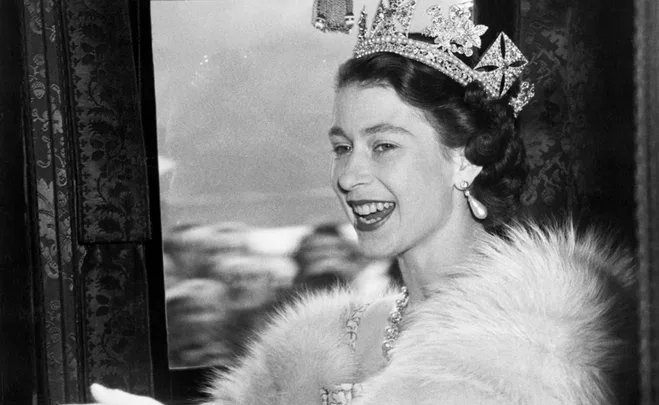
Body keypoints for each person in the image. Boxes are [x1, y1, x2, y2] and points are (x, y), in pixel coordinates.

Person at [74, 2, 637, 405]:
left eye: (384, 145)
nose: (348, 175)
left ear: (465, 158)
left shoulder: (555, 336)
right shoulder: (323, 341)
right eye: (341, 147)